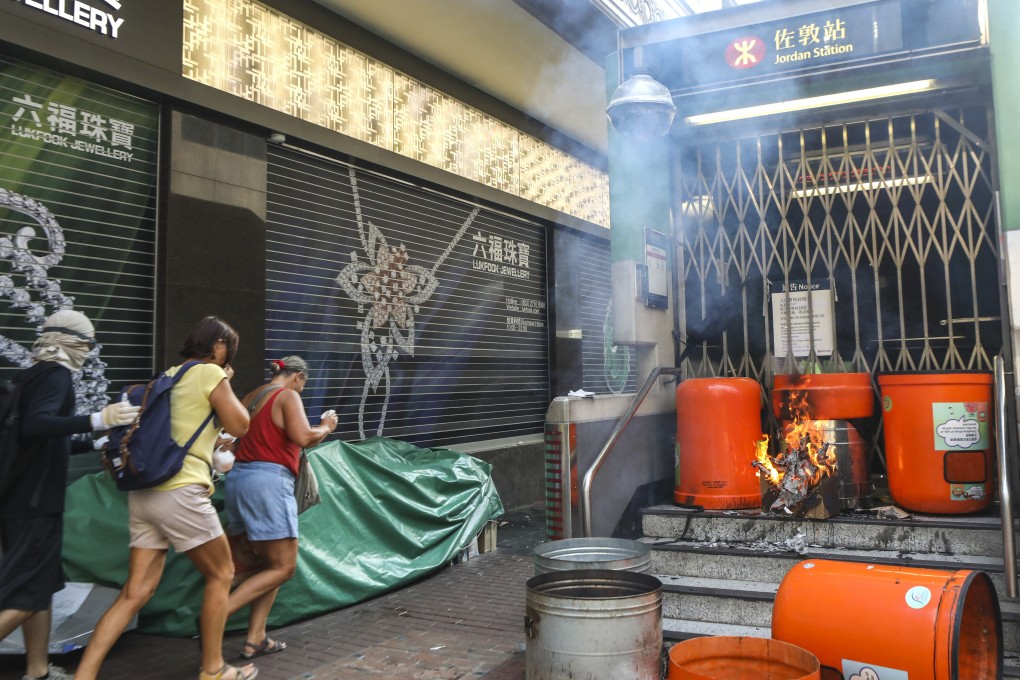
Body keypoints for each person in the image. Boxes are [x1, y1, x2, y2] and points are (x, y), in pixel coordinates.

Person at [73, 316, 257, 680]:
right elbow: (241, 425)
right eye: (229, 349)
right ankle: (213, 668)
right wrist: (225, 381)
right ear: (219, 346)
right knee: (222, 573)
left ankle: (84, 675)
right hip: (181, 490)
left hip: (145, 494)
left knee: (135, 592)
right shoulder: (209, 373)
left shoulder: (168, 376)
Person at [0, 310, 140, 680]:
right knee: (27, 595)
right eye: (88, 342)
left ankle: (37, 670)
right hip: (36, 504)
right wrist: (98, 419)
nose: (89, 350)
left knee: (40, 587)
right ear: (71, 340)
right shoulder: (56, 375)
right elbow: (37, 426)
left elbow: (45, 440)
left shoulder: (29, 375)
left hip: (18, 500)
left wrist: (93, 442)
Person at [223, 355, 337, 660]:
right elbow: (304, 437)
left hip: (238, 480)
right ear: (298, 377)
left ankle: (255, 638)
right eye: (303, 385)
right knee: (284, 567)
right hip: (268, 483)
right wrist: (326, 427)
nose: (301, 390)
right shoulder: (287, 396)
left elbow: (233, 441)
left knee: (267, 566)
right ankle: (216, 614)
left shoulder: (251, 396)